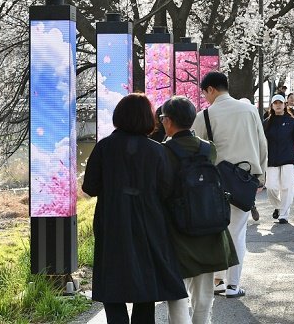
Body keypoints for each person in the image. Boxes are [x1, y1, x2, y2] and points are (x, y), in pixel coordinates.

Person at [82, 93, 187, 324]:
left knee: (112, 283)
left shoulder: (104, 147)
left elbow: (90, 187)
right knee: (145, 285)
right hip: (149, 220)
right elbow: (167, 190)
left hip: (112, 220)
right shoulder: (157, 150)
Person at [160, 96, 238, 324]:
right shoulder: (208, 149)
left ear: (169, 121)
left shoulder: (163, 152)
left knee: (177, 293)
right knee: (203, 295)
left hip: (177, 229)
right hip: (210, 226)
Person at [191, 71, 268, 299]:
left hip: (213, 183)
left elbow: (195, 149)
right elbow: (262, 144)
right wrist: (261, 177)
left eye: (205, 93)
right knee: (237, 233)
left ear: (211, 89)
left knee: (214, 232)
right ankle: (233, 285)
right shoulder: (250, 110)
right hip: (243, 181)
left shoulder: (204, 115)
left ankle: (216, 280)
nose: (206, 98)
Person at [263, 95, 294, 223]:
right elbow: (262, 142)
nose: (278, 105)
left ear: (285, 105)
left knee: (287, 187)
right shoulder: (266, 123)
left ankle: (284, 214)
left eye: (280, 103)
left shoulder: (292, 122)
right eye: (275, 103)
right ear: (271, 105)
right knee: (271, 187)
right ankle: (278, 207)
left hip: (288, 158)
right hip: (271, 160)